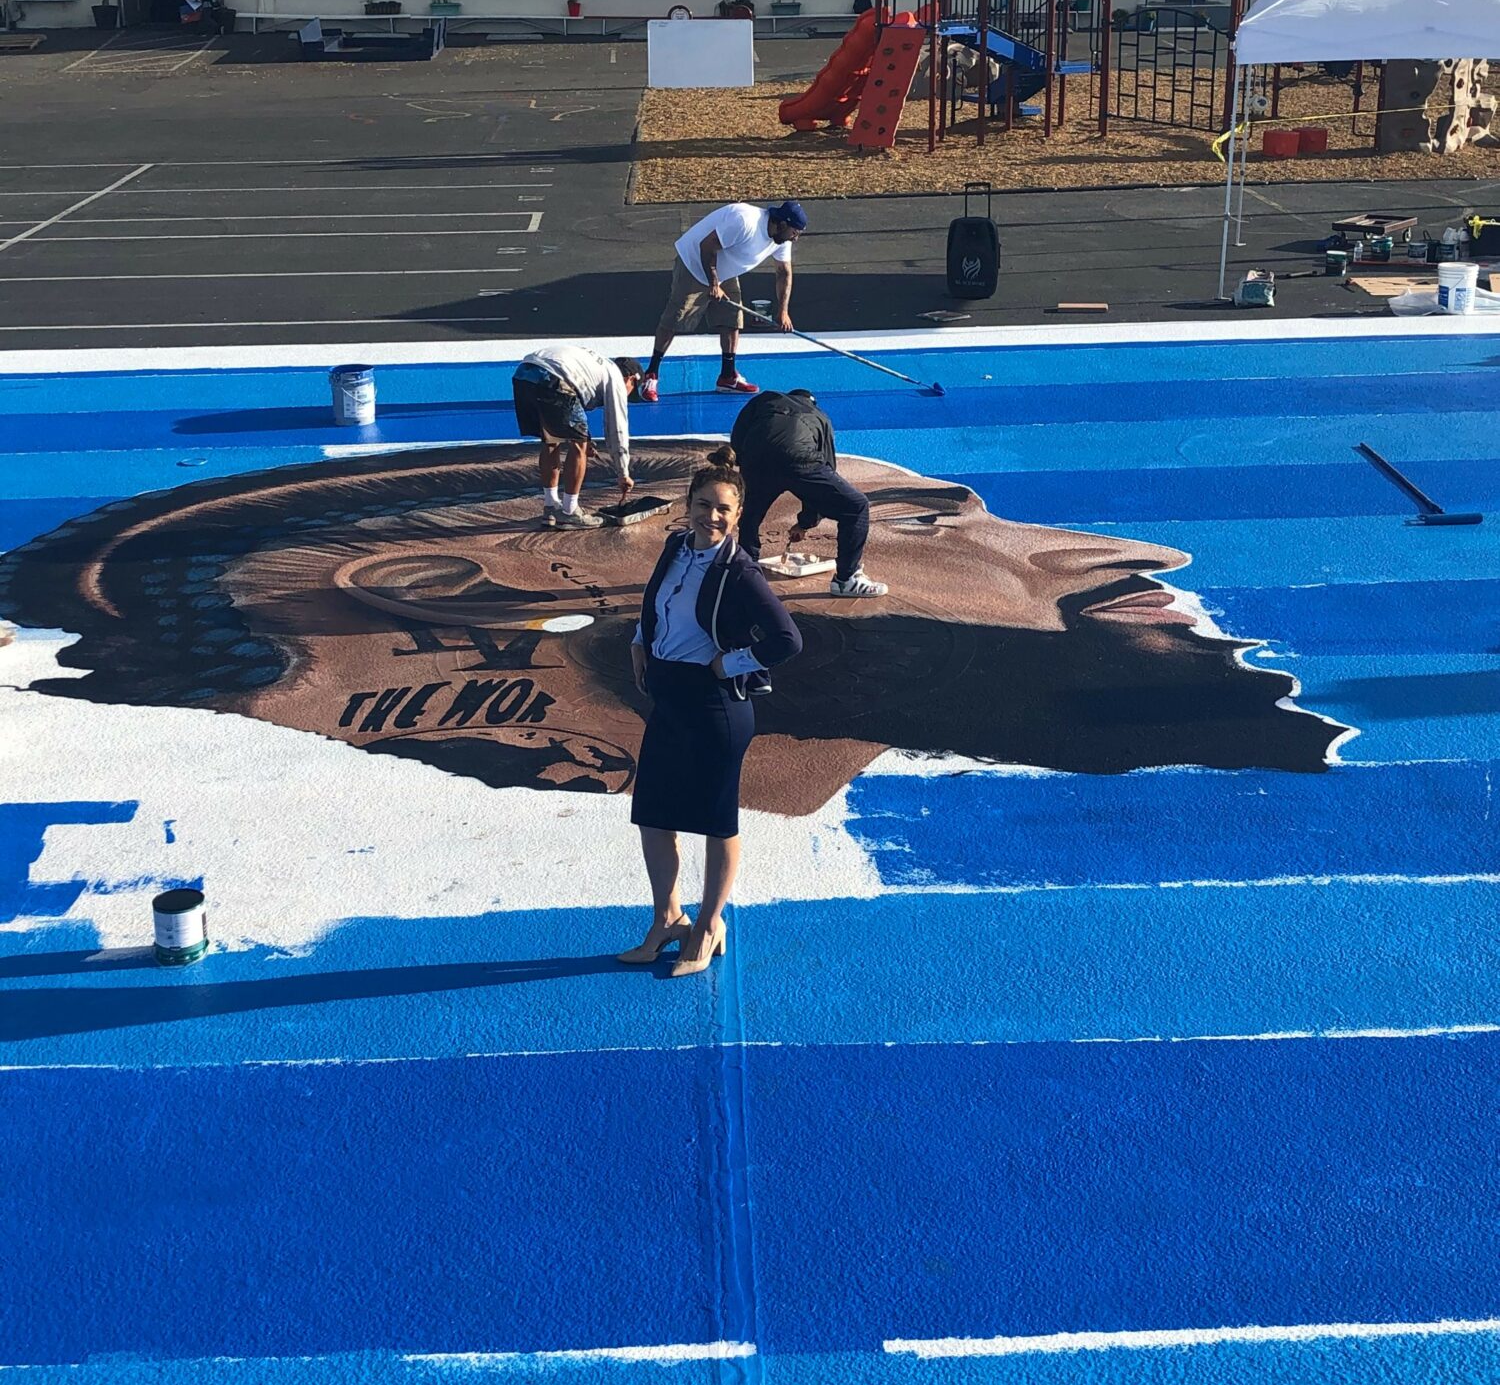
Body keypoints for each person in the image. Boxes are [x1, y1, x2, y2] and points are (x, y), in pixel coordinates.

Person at [0, 443, 1347, 827]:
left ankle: (690, 916)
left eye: (934, 512)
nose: (1103, 548)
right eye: (933, 516)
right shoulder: (694, 600)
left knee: (694, 824)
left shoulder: (723, 598)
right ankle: (681, 914)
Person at [618, 446, 802, 974]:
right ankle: (667, 918)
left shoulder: (740, 572)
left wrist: (732, 663)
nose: (712, 516)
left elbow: (787, 640)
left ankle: (708, 924)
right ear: (688, 505)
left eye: (723, 508)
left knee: (716, 822)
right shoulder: (675, 546)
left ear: (738, 514)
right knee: (652, 814)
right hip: (668, 698)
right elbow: (657, 602)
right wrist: (639, 641)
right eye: (703, 505)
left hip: (715, 706)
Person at [639, 199, 808, 404]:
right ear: (781, 224)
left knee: (731, 319)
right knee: (676, 319)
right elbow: (706, 246)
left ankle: (727, 377)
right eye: (794, 232)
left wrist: (783, 312)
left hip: (724, 269)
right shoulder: (745, 222)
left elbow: (783, 273)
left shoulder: (782, 240)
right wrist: (713, 283)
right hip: (694, 262)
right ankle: (651, 374)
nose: (795, 238)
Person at [732, 387, 888, 600]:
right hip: (800, 460)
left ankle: (745, 574)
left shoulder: (766, 399)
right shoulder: (820, 416)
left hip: (757, 458)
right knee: (856, 506)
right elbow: (826, 469)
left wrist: (746, 468)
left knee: (750, 513)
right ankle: (846, 580)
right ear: (812, 402)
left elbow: (738, 436)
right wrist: (806, 523)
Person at [511, 343, 642, 529]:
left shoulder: (596, 365)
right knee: (578, 446)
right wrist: (623, 473)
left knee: (550, 441)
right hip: (553, 378)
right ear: (630, 379)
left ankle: (550, 506)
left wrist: (586, 438)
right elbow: (617, 428)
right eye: (632, 391)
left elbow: (570, 406)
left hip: (525, 374)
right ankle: (569, 511)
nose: (628, 396)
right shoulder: (615, 377)